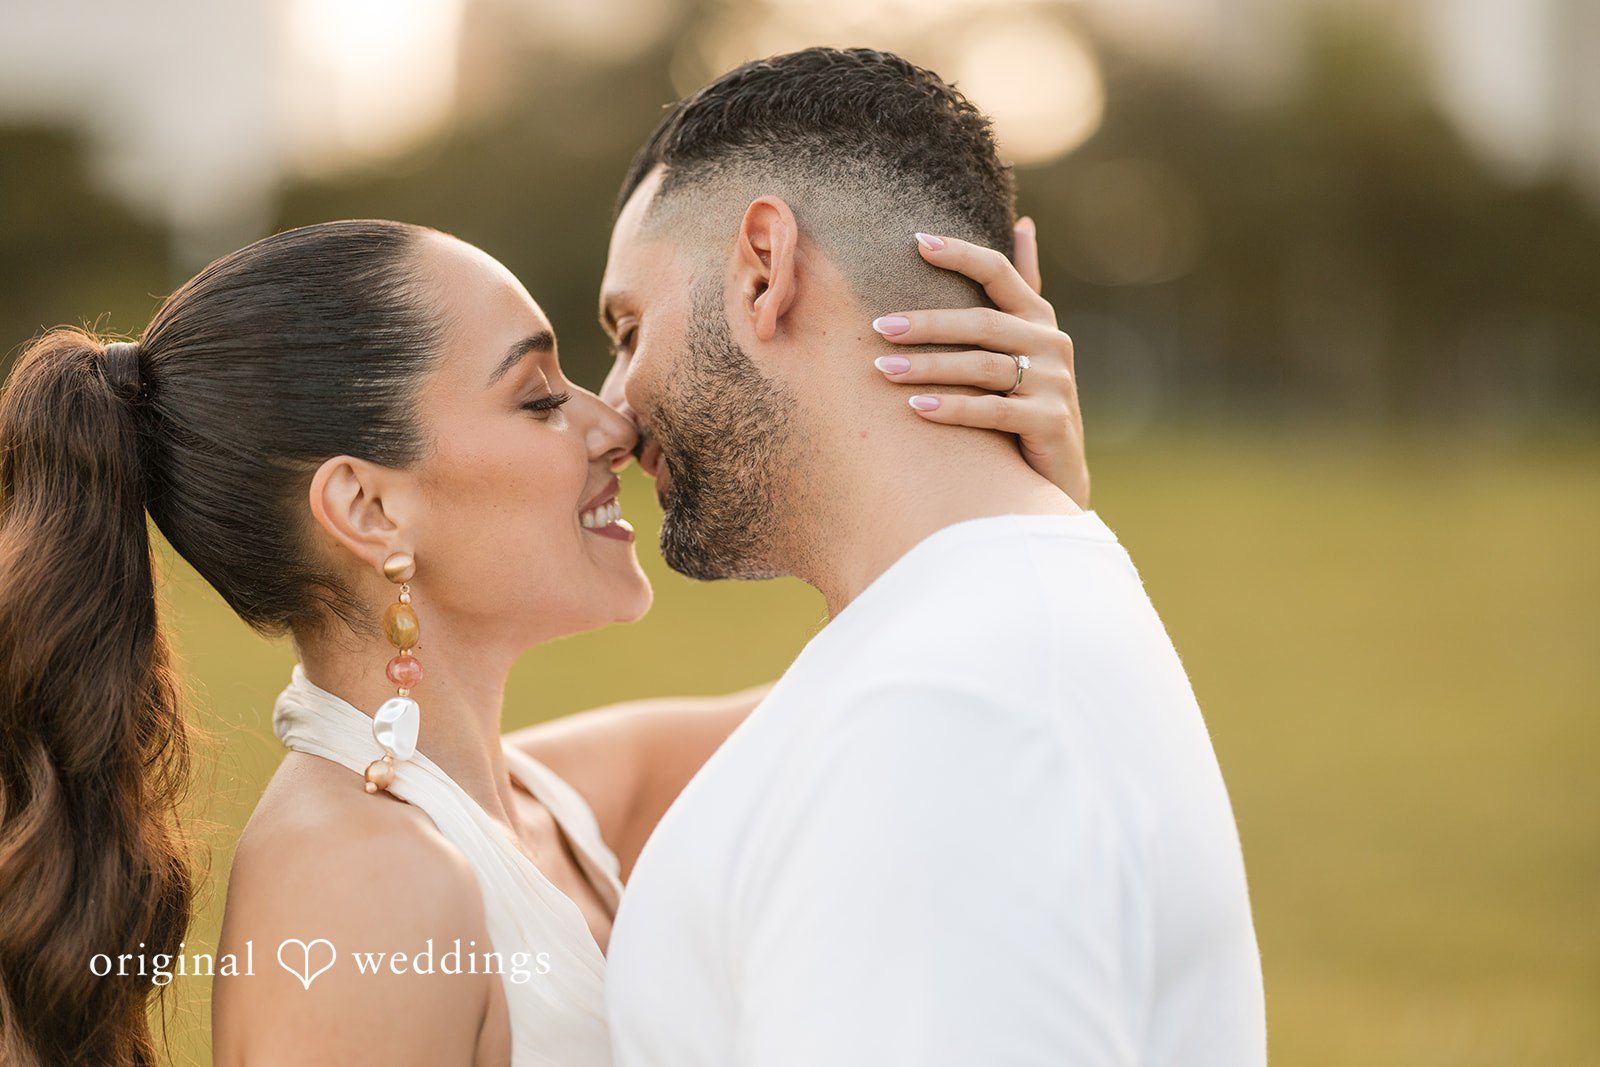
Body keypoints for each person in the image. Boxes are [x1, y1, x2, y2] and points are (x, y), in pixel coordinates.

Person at [0, 211, 1085, 1062]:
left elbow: (904, 692)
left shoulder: (523, 802)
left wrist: (1028, 491)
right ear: (369, 510)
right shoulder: (366, 882)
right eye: (535, 396)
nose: (611, 421)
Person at [599, 48, 1266, 1066]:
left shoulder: (943, 715)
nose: (611, 405)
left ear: (763, 269)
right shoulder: (954, 649)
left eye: (628, 326)